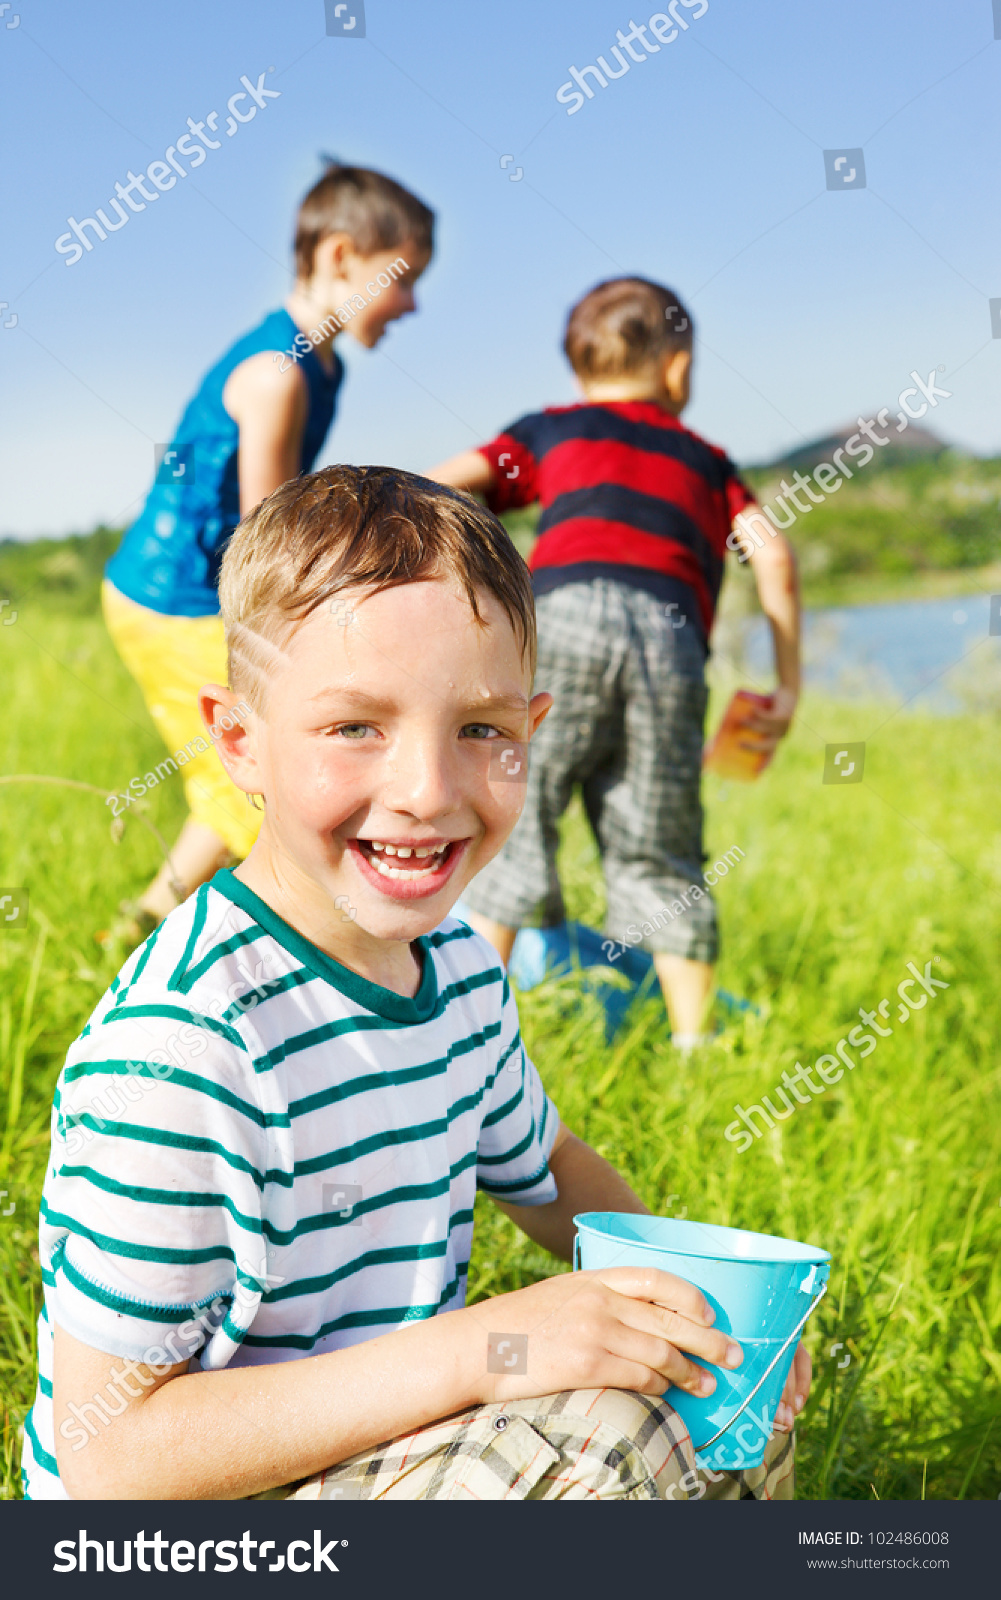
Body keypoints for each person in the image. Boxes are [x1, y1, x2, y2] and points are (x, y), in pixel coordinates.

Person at [24, 466, 810, 1502]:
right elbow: (112, 1458)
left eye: (481, 730)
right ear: (237, 742)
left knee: (709, 1407)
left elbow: (549, 1166)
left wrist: (685, 1308)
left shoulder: (460, 976)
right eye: (356, 726)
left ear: (532, 730)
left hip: (360, 1451)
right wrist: (483, 1347)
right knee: (615, 1437)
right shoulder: (186, 1049)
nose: (427, 791)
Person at [428, 277, 801, 1047]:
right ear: (678, 367)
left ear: (578, 367)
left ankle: (471, 1045)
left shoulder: (551, 429)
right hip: (671, 647)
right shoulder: (705, 459)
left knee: (515, 820)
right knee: (660, 848)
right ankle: (696, 1050)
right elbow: (773, 554)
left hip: (561, 621)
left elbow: (441, 484)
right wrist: (786, 684)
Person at [99, 164, 433, 949]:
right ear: (343, 257)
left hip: (185, 595)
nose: (413, 304)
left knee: (233, 780)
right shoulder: (279, 374)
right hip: (173, 598)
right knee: (254, 783)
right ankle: (242, 954)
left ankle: (142, 924)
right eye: (404, 280)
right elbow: (266, 534)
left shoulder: (323, 365)